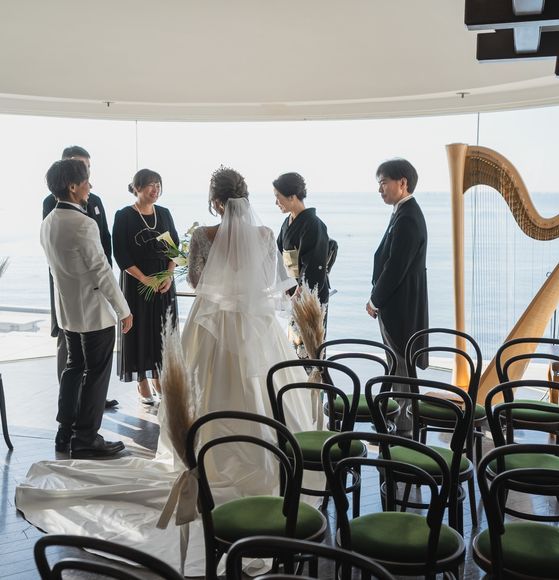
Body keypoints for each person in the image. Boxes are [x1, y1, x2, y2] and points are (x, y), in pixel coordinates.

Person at [16, 166, 319, 576]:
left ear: (215, 201)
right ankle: (270, 455)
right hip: (257, 328)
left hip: (211, 323)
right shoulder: (265, 235)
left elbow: (195, 279)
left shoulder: (204, 236)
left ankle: (206, 456)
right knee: (264, 389)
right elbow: (275, 282)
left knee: (206, 389)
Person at [40, 159, 132, 457]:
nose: (90, 186)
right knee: (96, 374)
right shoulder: (83, 224)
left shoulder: (47, 223)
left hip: (68, 312)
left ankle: (64, 432)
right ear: (72, 187)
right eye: (86, 182)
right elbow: (102, 271)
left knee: (73, 368)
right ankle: (86, 438)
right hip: (93, 313)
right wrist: (124, 309)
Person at [42, 146, 118, 409]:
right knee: (75, 351)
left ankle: (85, 406)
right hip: (74, 289)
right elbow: (61, 250)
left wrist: (106, 276)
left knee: (84, 356)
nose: (87, 174)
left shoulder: (93, 201)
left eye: (88, 167)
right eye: (81, 167)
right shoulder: (54, 206)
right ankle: (76, 413)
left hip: (91, 288)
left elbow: (104, 241)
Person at [366, 158, 428, 431]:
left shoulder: (409, 218)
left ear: (402, 182)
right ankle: (398, 420)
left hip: (400, 306)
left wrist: (375, 299)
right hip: (397, 304)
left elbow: (395, 267)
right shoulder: (403, 213)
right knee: (396, 363)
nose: (380, 189)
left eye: (383, 183)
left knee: (401, 365)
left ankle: (403, 427)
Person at [112, 169, 179, 405]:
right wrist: (144, 279)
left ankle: (159, 378)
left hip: (163, 284)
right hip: (137, 285)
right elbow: (121, 254)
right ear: (137, 187)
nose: (155, 189)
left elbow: (174, 249)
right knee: (139, 331)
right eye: (151, 184)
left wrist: (168, 276)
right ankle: (141, 381)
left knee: (162, 332)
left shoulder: (164, 213)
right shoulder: (124, 216)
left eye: (158, 185)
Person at [274, 172, 331, 356]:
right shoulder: (287, 222)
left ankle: (314, 375)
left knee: (310, 347)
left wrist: (299, 292)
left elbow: (313, 265)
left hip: (308, 294)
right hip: (292, 289)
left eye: (278, 196)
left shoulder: (313, 224)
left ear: (292, 196)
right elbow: (278, 254)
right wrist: (284, 287)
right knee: (294, 345)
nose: (276, 202)